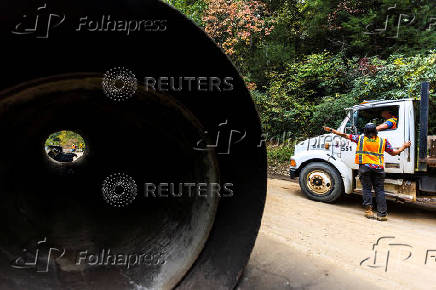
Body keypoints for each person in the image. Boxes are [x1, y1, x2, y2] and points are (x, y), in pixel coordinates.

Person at [323, 123, 411, 221]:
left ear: (365, 131)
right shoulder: (383, 141)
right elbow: (394, 153)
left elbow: (344, 135)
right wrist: (404, 146)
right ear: (376, 131)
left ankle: (369, 211)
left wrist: (331, 130)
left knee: (367, 189)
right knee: (380, 191)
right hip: (378, 169)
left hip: (365, 168)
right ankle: (382, 214)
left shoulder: (360, 139)